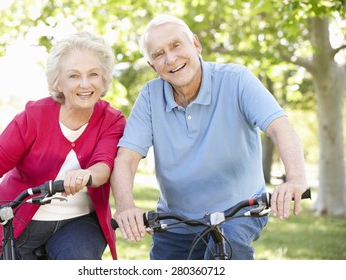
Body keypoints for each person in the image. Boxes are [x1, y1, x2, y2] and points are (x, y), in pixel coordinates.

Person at [110, 14, 308, 260]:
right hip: (176, 218)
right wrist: (126, 206)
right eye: (159, 54)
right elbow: (126, 158)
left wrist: (296, 178)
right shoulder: (150, 97)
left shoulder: (236, 79)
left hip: (238, 213)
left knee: (227, 248)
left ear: (196, 44)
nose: (171, 59)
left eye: (176, 45)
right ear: (153, 67)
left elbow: (281, 128)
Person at [0, 31, 126, 260]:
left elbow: (103, 166)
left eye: (93, 74)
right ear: (58, 82)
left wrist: (86, 175)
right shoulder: (33, 116)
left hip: (79, 223)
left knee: (79, 259)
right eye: (74, 76)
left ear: (104, 79)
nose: (85, 84)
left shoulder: (112, 119)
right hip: (16, 220)